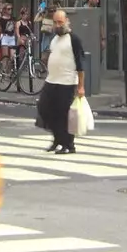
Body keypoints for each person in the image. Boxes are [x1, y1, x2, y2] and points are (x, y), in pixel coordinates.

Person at [37, 8, 85, 154]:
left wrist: (81, 86)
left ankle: (68, 145)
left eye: (60, 22)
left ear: (67, 22)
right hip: (52, 80)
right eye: (55, 22)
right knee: (44, 108)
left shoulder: (74, 39)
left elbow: (80, 65)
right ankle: (57, 138)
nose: (57, 25)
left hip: (67, 82)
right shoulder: (54, 39)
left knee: (64, 115)